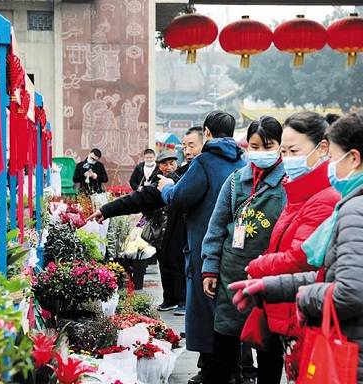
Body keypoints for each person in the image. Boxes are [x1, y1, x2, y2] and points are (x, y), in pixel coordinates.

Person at [230, 110, 363, 384]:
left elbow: (352, 293)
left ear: (354, 158)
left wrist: (304, 298)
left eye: (333, 157)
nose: (330, 166)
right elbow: (339, 276)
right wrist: (271, 288)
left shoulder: (361, 210)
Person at [240, 112, 340, 382]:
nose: (288, 158)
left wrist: (258, 266)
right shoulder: (297, 191)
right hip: (283, 302)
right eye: (284, 150)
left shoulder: (324, 198)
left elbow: (302, 257)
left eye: (294, 150)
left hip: (299, 305)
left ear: (322, 148)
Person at [158, 111, 245, 384]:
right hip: (235, 245)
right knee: (230, 306)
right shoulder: (242, 161)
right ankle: (234, 368)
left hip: (204, 244)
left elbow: (181, 198)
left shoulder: (204, 162)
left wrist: (166, 188)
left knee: (205, 306)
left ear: (207, 133)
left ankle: (212, 369)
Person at [200, 117, 286, 384]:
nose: (260, 153)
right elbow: (216, 227)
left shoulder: (288, 183)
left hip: (269, 280)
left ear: (280, 146)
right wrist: (210, 267)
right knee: (223, 348)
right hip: (231, 277)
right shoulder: (236, 181)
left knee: (269, 351)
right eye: (254, 146)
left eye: (267, 146)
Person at [89, 151, 183, 297]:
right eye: (165, 164)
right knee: (165, 264)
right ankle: (170, 300)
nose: (169, 167)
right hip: (159, 230)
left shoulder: (184, 178)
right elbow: (138, 199)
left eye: (172, 163)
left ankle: (181, 301)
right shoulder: (156, 182)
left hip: (180, 234)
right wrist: (106, 210)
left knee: (179, 267)